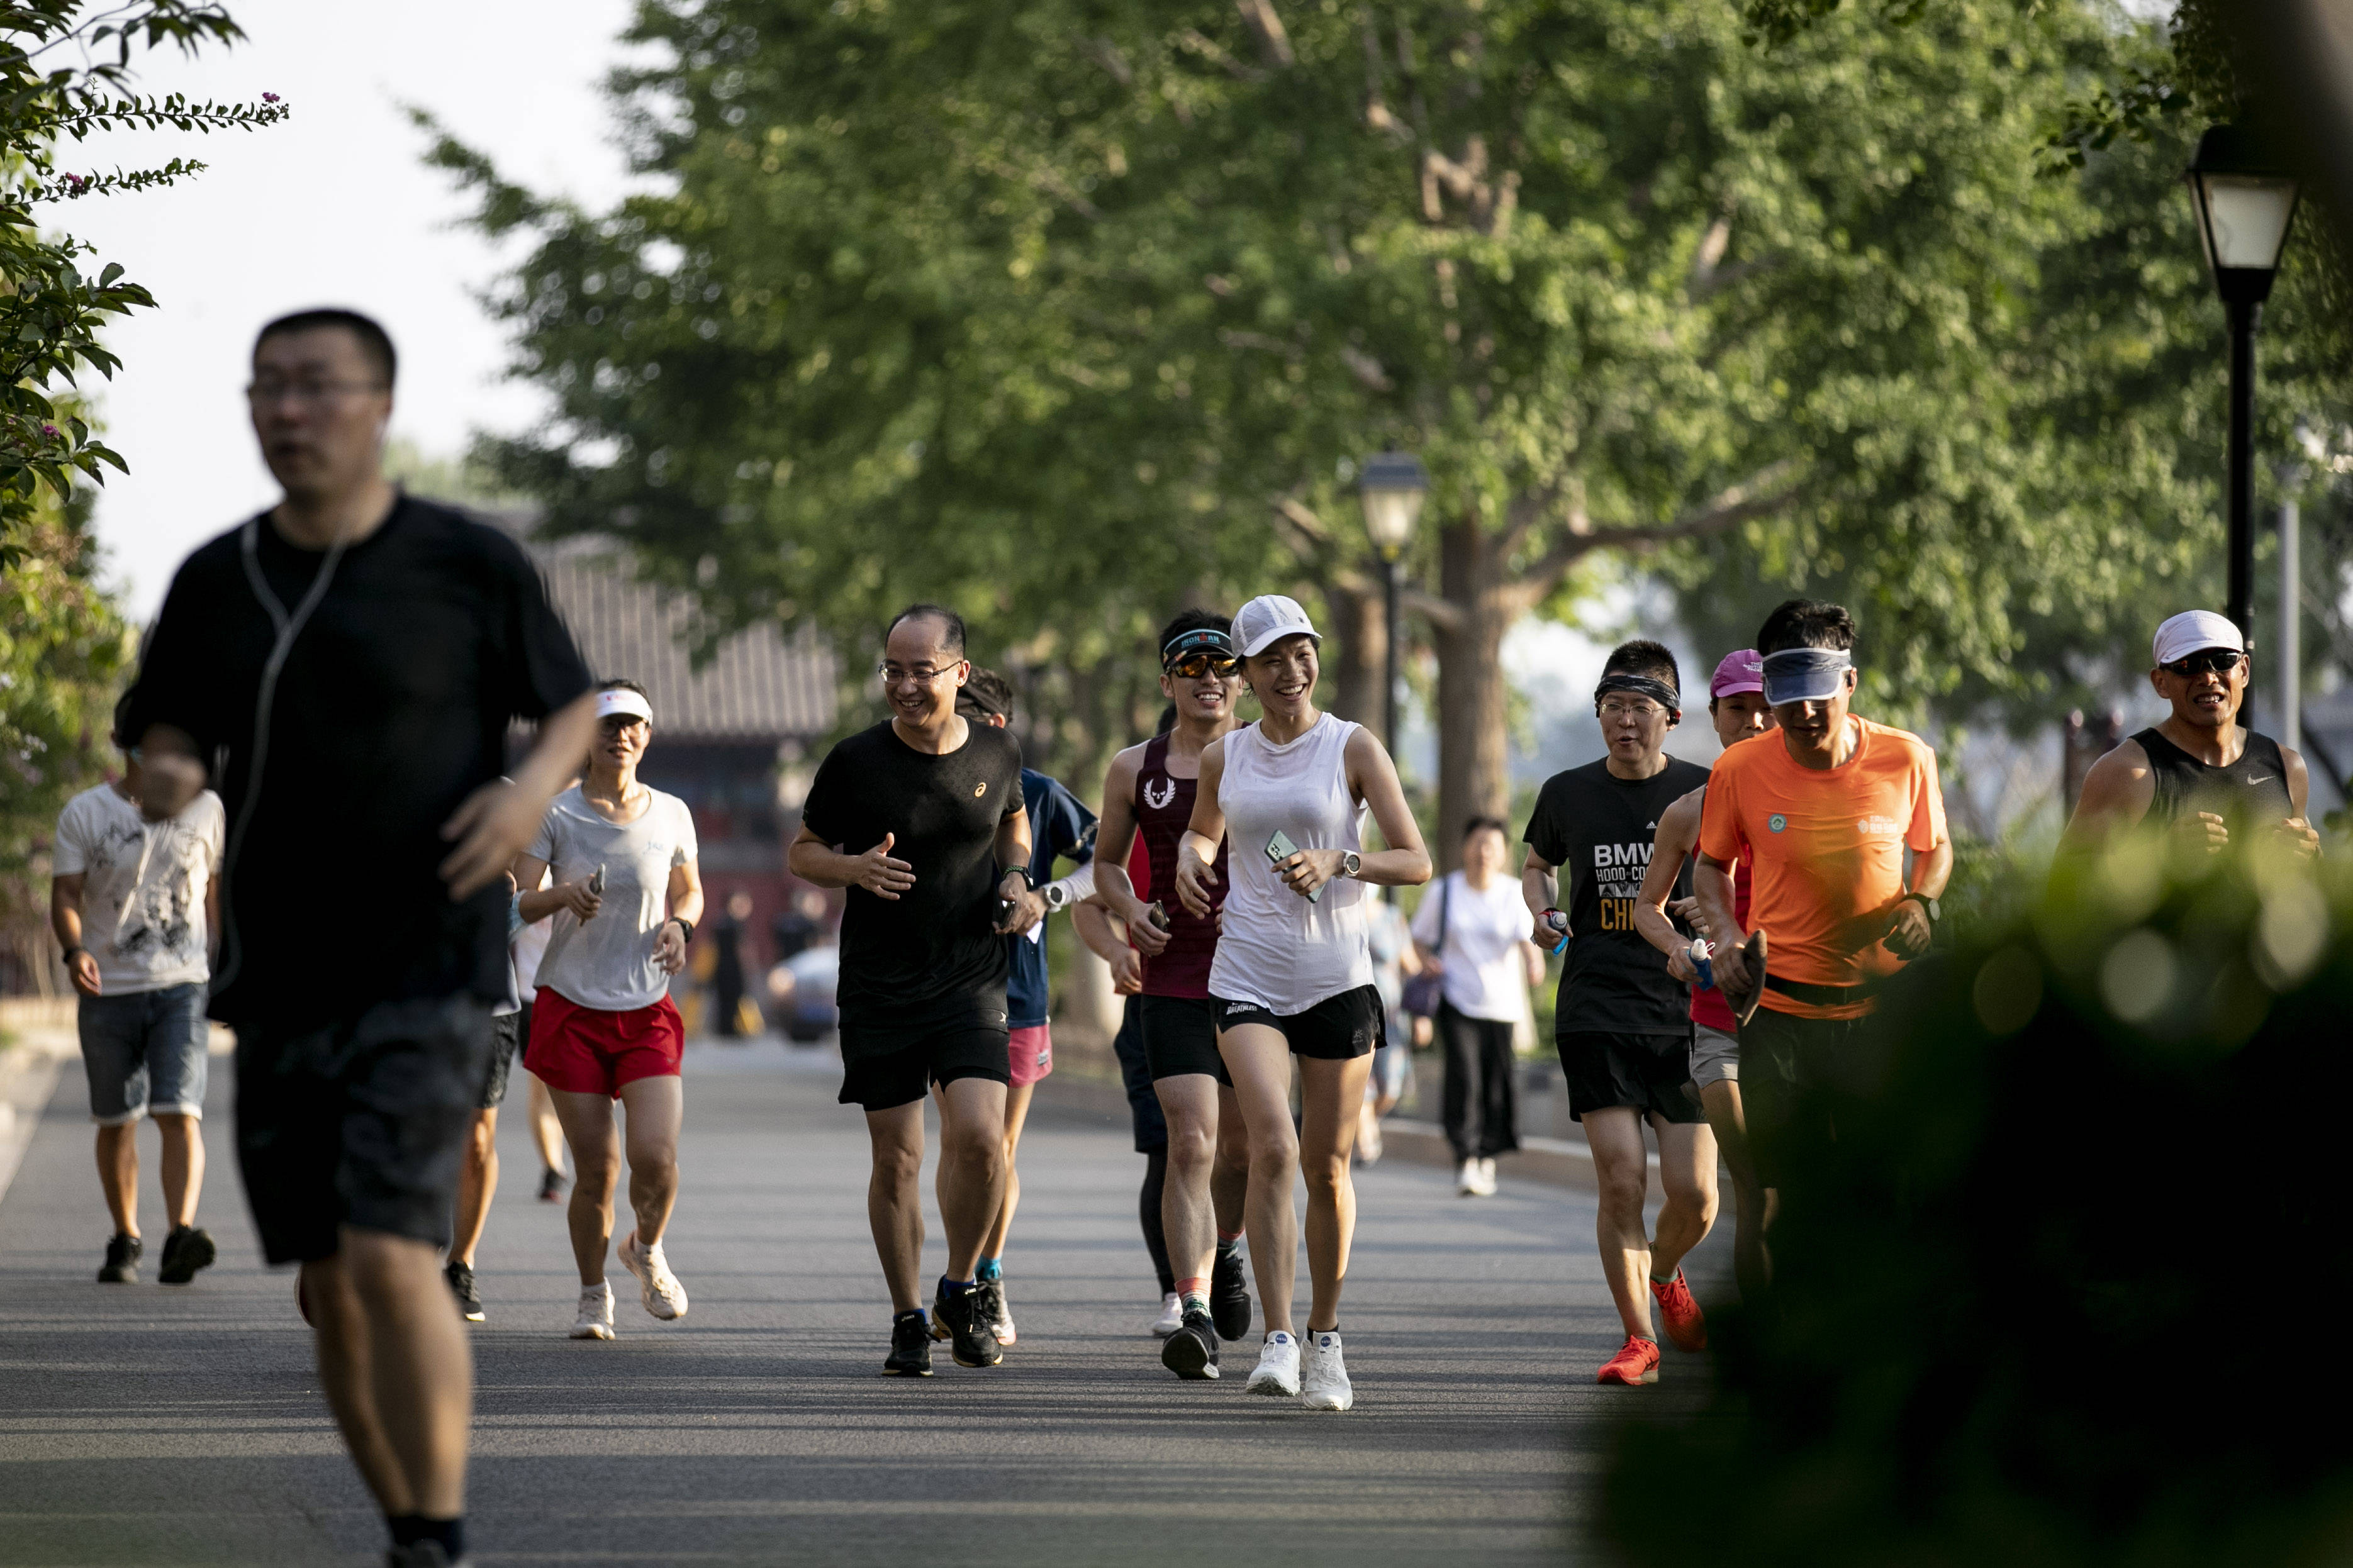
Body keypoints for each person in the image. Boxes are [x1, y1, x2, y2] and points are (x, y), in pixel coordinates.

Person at [123, 306, 599, 1568]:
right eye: (268, 387)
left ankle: (436, 1532)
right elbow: (164, 727)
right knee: (328, 1282)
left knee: (396, 1250)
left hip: (431, 959)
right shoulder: (215, 579)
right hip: (279, 971)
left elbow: (568, 706)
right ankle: (404, 1519)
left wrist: (520, 796)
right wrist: (168, 769)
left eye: (318, 386)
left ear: (376, 403)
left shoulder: (466, 560)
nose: (290, 409)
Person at [1174, 594, 1433, 1410]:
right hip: (1245, 972)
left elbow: (1416, 858)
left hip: (1338, 978)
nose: (1291, 672)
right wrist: (1191, 854)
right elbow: (1206, 827)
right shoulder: (1227, 756)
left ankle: (1326, 1337)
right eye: (1272, 660)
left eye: (1302, 654)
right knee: (1271, 1146)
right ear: (1245, 675)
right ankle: (1278, 1339)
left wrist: (1340, 861)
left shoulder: (1351, 745)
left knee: (1327, 1165)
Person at [786, 604, 1038, 1376]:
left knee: (981, 1142)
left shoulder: (996, 750)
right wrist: (853, 869)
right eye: (891, 669)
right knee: (896, 1158)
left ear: (959, 673)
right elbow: (801, 854)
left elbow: (1014, 821)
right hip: (879, 984)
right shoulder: (854, 763)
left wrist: (1021, 878)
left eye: (919, 670)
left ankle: (959, 1287)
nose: (902, 684)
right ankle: (904, 1315)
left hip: (970, 977)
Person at [1699, 600, 1953, 1260]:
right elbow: (1709, 870)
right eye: (1786, 697)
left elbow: (1934, 848)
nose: (1802, 713)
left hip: (1880, 1014)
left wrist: (1922, 903)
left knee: (1881, 1187)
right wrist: (1726, 937)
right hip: (1779, 1013)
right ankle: (1781, 1348)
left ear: (1848, 683)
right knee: (1778, 1196)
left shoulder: (1905, 758)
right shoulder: (1740, 769)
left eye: (1817, 695)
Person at [1520, 640, 1718, 1387]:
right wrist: (1541, 910)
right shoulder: (1566, 792)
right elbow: (1536, 864)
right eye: (1611, 707)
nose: (1623, 722)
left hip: (1686, 1008)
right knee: (1622, 1182)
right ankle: (1639, 1338)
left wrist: (1716, 908)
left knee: (1696, 1194)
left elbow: (1746, 878)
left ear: (1669, 717)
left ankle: (1664, 1273)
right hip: (1596, 1006)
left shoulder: (1707, 790)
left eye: (1638, 707)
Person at [1092, 611, 1259, 1382]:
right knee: (1190, 1141)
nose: (1208, 679)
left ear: (1243, 677)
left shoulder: (1270, 760)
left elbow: (1299, 844)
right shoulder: (1134, 767)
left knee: (1244, 1149)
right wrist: (1128, 911)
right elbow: (1105, 866)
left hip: (1258, 974)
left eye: (1222, 666)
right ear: (1168, 683)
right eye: (1191, 668)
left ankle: (1227, 1251)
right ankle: (1191, 1305)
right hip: (1173, 975)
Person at [515, 680, 704, 1340]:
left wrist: (681, 926)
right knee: (597, 1168)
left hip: (646, 1007)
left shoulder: (672, 813)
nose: (620, 736)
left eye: (632, 725)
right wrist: (563, 894)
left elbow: (691, 893)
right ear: (585, 740)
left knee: (657, 1158)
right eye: (607, 725)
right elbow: (519, 903)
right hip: (570, 1006)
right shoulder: (555, 813)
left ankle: (645, 1249)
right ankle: (593, 1294)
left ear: (647, 735)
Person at [50, 696, 225, 1286]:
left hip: (183, 983)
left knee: (180, 1111)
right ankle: (126, 1236)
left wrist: (226, 968)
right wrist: (75, 952)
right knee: (117, 1117)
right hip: (109, 987)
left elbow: (215, 898)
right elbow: (67, 897)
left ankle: (180, 1234)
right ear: (121, 743)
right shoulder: (85, 813)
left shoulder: (208, 810)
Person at [952, 667, 1098, 1346]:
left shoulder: (1038, 793)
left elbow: (1108, 854)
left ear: (999, 725)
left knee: (998, 1148)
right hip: (944, 990)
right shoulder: (924, 785)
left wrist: (1048, 897)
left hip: (1018, 993)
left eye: (970, 710)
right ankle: (962, 1275)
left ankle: (987, 1274)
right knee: (963, 1144)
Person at [1631, 649, 1779, 1303]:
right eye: (1738, 709)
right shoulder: (1687, 811)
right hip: (1715, 1019)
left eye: (1764, 708)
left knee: (1772, 1193)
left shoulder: (1807, 805)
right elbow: (1645, 907)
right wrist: (1677, 946)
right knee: (1751, 1183)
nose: (1752, 722)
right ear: (1713, 717)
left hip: (1794, 1015)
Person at [1074, 706, 1185, 1337]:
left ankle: (1222, 1254)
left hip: (1239, 1002)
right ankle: (1177, 1289)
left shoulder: (1256, 811)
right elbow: (1089, 903)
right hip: (1153, 1007)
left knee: (1238, 1153)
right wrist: (1119, 950)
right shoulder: (1137, 823)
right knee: (1170, 1151)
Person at [2062, 609, 2320, 859]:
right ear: (2161, 682)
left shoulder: (2287, 767)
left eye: (2222, 661)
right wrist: (2161, 856)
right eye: (2188, 666)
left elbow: (2313, 882)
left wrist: (2310, 855)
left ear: (2243, 671)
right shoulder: (2127, 772)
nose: (2208, 678)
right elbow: (2063, 885)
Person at [1412, 816, 1542, 1197]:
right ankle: (1466, 1159)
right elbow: (1418, 938)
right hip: (1456, 1000)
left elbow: (1526, 941)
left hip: (1502, 1005)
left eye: (1493, 846)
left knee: (1496, 1084)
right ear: (1465, 848)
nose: (1484, 852)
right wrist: (1426, 962)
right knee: (1464, 1079)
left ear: (1504, 854)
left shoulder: (1513, 892)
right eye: (1478, 844)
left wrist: (1533, 961)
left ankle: (1487, 1158)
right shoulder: (1444, 891)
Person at [443, 870, 532, 1323]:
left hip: (489, 1004)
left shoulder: (502, 803)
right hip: (412, 997)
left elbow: (525, 889)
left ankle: (461, 1263)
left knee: (478, 1139)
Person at [1356, 896, 1421, 1167]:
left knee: (1391, 1088)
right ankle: (1366, 1143)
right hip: (1357, 1010)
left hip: (1391, 1014)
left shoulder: (1392, 917)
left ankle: (1366, 1124)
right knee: (1361, 1084)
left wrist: (1423, 1012)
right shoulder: (1344, 912)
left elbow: (1411, 964)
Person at [708, 889, 759, 1039]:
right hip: (735, 968)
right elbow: (742, 948)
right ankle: (734, 1028)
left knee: (723, 999)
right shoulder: (738, 925)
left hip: (719, 967)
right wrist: (749, 966)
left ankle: (723, 1028)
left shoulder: (718, 922)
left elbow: (709, 946)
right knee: (736, 998)